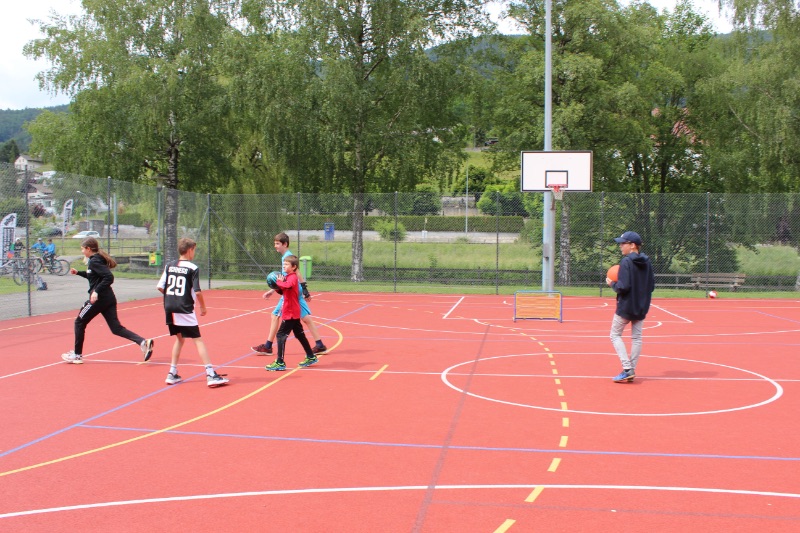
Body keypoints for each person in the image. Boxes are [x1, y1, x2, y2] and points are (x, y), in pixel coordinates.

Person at [61, 237, 155, 364]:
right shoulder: (96, 260)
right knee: (116, 328)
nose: (82, 251)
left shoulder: (94, 261)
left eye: (82, 249)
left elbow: (109, 277)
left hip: (99, 299)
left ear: (88, 249)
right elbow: (93, 275)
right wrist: (78, 272)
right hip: (108, 298)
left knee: (79, 322)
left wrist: (96, 291)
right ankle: (143, 342)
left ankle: (77, 356)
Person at [157, 237, 229, 387]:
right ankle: (210, 374)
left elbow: (160, 286)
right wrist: (203, 307)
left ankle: (172, 373)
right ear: (190, 250)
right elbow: (198, 292)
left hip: (169, 308)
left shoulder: (169, 266)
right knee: (198, 340)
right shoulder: (192, 268)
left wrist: (172, 297)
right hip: (184, 308)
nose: (194, 253)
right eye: (194, 250)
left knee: (180, 339)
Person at [251, 232, 327, 356]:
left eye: (277, 244)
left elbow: (297, 273)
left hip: (291, 292)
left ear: (285, 244)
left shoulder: (288, 257)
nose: (275, 246)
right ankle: (320, 345)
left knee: (275, 315)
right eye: (275, 243)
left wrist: (305, 289)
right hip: (295, 290)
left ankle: (268, 346)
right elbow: (284, 277)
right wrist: (273, 290)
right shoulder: (286, 257)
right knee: (306, 319)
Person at [606, 231, 655, 383]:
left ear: (632, 245)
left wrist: (612, 284)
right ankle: (631, 369)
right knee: (637, 337)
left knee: (615, 335)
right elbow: (651, 286)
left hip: (626, 306)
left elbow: (623, 287)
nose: (620, 246)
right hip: (641, 306)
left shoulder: (626, 262)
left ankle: (627, 368)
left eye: (623, 243)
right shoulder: (647, 262)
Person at [265, 255, 317, 371]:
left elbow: (288, 286)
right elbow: (284, 291)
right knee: (299, 334)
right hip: (292, 311)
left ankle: (280, 362)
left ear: (294, 267)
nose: (284, 266)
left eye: (286, 264)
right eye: (283, 264)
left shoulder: (292, 277)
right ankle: (310, 356)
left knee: (281, 335)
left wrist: (279, 282)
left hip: (290, 313)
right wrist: (276, 287)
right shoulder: (287, 277)